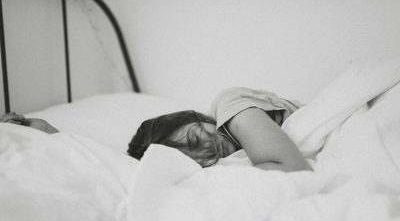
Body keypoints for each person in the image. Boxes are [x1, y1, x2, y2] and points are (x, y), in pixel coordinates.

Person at [128, 87, 311, 172]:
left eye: (194, 139)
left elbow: (294, 169)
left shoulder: (230, 104)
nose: (208, 149)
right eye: (194, 158)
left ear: (194, 118)